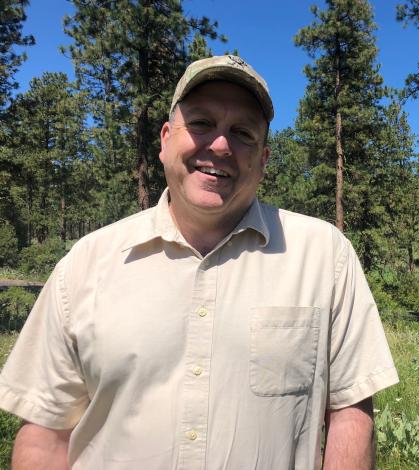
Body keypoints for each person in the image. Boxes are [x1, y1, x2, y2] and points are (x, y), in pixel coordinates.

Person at [0, 55, 398, 470]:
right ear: (166, 139)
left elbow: (350, 414)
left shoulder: (323, 256)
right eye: (202, 123)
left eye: (243, 132)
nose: (221, 145)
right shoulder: (87, 262)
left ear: (263, 159)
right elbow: (47, 434)